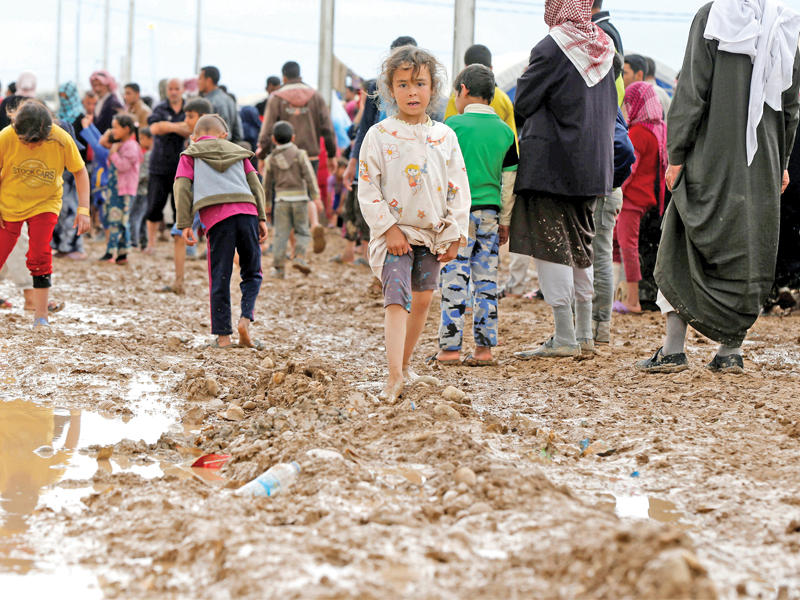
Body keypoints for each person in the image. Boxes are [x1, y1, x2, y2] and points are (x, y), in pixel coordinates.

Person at [637, 0, 800, 374]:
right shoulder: (788, 24)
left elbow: (692, 91)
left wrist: (676, 153)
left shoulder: (714, 16)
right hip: (763, 165)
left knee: (681, 240)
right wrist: (783, 161)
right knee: (747, 249)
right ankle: (730, 352)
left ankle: (673, 349)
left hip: (710, 155)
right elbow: (791, 107)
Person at [358, 45, 471, 401]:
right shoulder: (379, 135)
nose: (412, 91)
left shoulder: (445, 136)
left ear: (432, 89)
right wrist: (388, 229)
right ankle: (393, 377)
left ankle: (404, 366)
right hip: (394, 233)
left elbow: (458, 188)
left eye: (419, 83)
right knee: (397, 299)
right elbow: (367, 184)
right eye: (403, 84)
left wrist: (455, 234)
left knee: (422, 300)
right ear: (391, 89)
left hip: (433, 235)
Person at [510, 0, 617, 359]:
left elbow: (523, 101)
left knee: (551, 245)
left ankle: (564, 336)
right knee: (581, 246)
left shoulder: (551, 45)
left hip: (552, 167)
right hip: (593, 168)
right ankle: (585, 334)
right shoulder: (604, 45)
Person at [433, 64, 517, 367]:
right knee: (486, 281)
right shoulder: (506, 133)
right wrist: (506, 220)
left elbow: (438, 174)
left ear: (463, 90)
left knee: (454, 279)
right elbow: (509, 183)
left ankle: (450, 349)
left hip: (457, 216)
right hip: (491, 215)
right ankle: (483, 350)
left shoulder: (452, 127)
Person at [175, 114, 268, 348]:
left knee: (220, 275)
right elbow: (255, 183)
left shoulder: (190, 154)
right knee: (252, 271)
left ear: (194, 137)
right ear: (224, 135)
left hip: (218, 220)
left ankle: (224, 337)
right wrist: (262, 217)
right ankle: (245, 319)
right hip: (247, 213)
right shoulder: (239, 152)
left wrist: (185, 223)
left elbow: (182, 187)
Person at [0, 100, 91, 328]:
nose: (30, 146)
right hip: (10, 203)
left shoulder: (60, 138)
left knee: (39, 255)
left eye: (35, 142)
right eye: (24, 141)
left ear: (46, 131)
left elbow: (80, 171)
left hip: (45, 203)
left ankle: (41, 316)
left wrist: (84, 209)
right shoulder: (6, 136)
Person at [257, 61, 338, 252]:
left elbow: (267, 129)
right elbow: (327, 128)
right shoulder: (316, 96)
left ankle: (293, 247)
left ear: (284, 77)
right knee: (307, 193)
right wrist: (332, 154)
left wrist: (262, 154)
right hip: (310, 155)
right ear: (299, 75)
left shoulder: (276, 98)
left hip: (282, 156)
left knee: (287, 197)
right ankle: (315, 222)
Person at [612, 82, 666, 314]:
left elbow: (628, 170)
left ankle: (632, 300)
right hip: (645, 198)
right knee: (618, 243)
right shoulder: (658, 130)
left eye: (628, 103)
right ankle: (615, 294)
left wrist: (612, 188)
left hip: (631, 199)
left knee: (627, 246)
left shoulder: (638, 133)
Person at [158, 97, 214, 294]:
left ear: (204, 118)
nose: (187, 120)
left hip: (202, 198)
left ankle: (179, 282)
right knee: (179, 236)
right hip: (199, 197)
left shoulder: (203, 142)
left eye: (191, 116)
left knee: (185, 235)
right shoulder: (194, 139)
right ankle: (179, 282)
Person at [262, 121, 320, 278]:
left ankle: (279, 268)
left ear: (273, 139)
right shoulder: (300, 154)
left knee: (281, 234)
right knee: (302, 230)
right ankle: (300, 257)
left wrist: (266, 204)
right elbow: (309, 175)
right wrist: (315, 196)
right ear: (293, 137)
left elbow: (266, 184)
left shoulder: (270, 159)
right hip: (300, 199)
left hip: (281, 201)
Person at [145, 78, 187, 253]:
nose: (174, 92)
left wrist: (167, 126)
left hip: (183, 166)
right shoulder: (160, 108)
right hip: (159, 165)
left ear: (182, 90)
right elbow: (154, 128)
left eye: (177, 88)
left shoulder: (188, 108)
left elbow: (192, 128)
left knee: (181, 207)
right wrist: (179, 127)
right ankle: (151, 243)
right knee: (154, 205)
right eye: (171, 88)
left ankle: (181, 244)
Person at [443, 44, 517, 136]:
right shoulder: (503, 98)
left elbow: (446, 130)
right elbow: (512, 136)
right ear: (491, 69)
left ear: (466, 68)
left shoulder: (459, 94)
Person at [98, 114, 140, 264]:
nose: (113, 130)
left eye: (116, 127)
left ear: (126, 129)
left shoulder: (131, 146)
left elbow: (122, 166)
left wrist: (114, 153)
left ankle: (112, 252)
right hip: (116, 188)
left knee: (118, 220)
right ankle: (122, 254)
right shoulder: (121, 144)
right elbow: (102, 142)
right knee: (117, 219)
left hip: (124, 190)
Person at [197, 66, 243, 143]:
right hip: (229, 149)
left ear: (208, 80)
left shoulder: (209, 102)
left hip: (213, 150)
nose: (198, 82)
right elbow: (238, 133)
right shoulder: (229, 99)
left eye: (200, 79)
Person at [130, 126, 152, 250]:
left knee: (135, 217)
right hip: (146, 191)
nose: (140, 141)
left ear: (150, 139)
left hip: (141, 190)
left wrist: (133, 180)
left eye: (142, 138)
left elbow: (144, 174)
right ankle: (143, 242)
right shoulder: (149, 153)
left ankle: (134, 241)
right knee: (142, 218)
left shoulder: (148, 155)